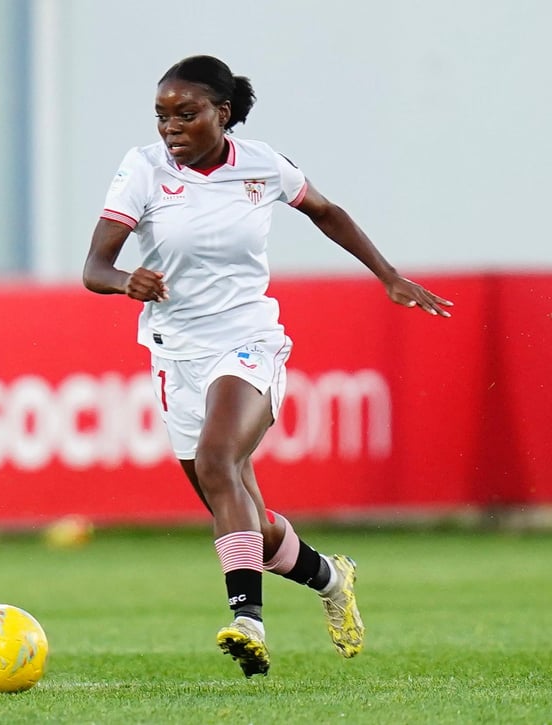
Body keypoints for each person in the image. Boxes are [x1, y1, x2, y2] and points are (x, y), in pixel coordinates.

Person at [82, 55, 453, 678]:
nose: (170, 126)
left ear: (222, 115)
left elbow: (326, 212)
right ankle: (333, 578)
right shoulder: (142, 169)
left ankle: (247, 620)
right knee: (248, 519)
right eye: (161, 115)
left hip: (248, 340)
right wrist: (126, 282)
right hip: (176, 354)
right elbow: (94, 268)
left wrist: (388, 276)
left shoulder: (262, 165)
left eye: (186, 113)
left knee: (217, 459)